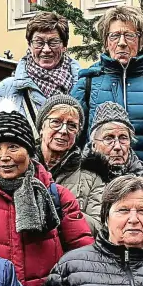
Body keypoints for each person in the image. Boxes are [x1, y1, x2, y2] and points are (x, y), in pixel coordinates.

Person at [0, 104, 94, 286]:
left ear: (28, 150)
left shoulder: (57, 196)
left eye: (13, 147)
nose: (4, 157)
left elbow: (83, 257)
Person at [72, 7, 143, 214]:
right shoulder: (87, 84)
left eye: (129, 35)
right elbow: (73, 146)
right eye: (115, 35)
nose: (122, 42)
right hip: (93, 198)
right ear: (106, 42)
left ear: (141, 42)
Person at [32, 94, 111, 231]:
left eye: (72, 125)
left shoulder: (92, 177)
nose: (63, 131)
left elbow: (99, 227)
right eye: (56, 122)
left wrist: (60, 208)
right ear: (41, 128)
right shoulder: (22, 168)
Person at [0, 13, 82, 128]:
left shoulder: (81, 86)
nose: (46, 49)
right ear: (29, 45)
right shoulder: (7, 88)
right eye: (39, 42)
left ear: (64, 46)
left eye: (53, 42)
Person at [88, 102, 143, 182]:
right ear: (94, 145)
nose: (117, 147)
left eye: (123, 138)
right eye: (108, 139)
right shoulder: (80, 177)